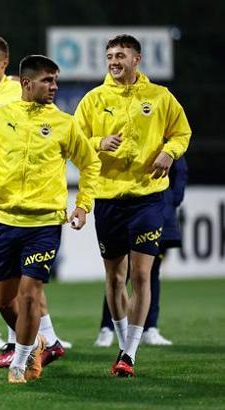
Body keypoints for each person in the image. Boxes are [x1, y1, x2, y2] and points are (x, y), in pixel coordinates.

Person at [0, 55, 100, 383]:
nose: (54, 86)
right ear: (26, 83)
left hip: (45, 224)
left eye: (55, 80)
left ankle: (20, 363)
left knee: (30, 293)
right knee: (4, 300)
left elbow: (90, 164)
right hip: (5, 222)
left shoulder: (64, 123)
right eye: (47, 80)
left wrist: (83, 204)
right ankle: (35, 343)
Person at [74, 34, 191, 377]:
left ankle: (129, 353)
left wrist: (169, 152)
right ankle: (124, 341)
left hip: (148, 198)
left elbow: (182, 133)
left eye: (120, 55)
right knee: (115, 277)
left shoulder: (159, 96)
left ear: (136, 59)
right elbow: (73, 141)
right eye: (110, 55)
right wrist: (98, 142)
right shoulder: (94, 99)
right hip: (108, 199)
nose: (114, 61)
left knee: (141, 274)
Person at [0, 36, 71, 368]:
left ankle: (21, 342)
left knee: (23, 275)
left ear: (5, 63)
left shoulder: (19, 91)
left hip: (21, 194)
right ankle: (40, 341)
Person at [94, 158, 187, 347]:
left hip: (155, 206)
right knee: (118, 275)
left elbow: (180, 169)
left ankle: (149, 328)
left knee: (148, 273)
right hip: (122, 202)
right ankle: (108, 328)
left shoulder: (168, 144)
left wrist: (171, 201)